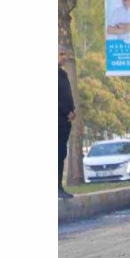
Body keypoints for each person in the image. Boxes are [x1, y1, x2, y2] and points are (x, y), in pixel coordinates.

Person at [58, 46, 76, 200]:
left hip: (64, 123)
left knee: (61, 153)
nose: (64, 57)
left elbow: (67, 95)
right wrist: (66, 111)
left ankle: (59, 187)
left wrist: (73, 111)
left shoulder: (62, 74)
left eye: (65, 54)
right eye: (61, 54)